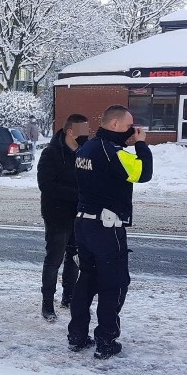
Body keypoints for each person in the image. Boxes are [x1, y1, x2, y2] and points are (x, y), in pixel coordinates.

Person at [67, 105, 152, 360]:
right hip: (107, 226)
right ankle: (106, 340)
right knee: (114, 284)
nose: (132, 131)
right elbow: (144, 173)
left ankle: (77, 336)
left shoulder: (86, 148)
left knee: (86, 279)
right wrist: (142, 145)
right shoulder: (113, 152)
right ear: (114, 125)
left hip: (83, 223)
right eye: (129, 126)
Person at [37, 114, 89, 322]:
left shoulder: (85, 153)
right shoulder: (51, 154)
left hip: (80, 214)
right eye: (83, 130)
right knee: (54, 260)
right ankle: (47, 304)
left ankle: (69, 297)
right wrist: (78, 194)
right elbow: (46, 186)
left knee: (74, 258)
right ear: (70, 131)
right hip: (57, 214)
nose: (87, 133)